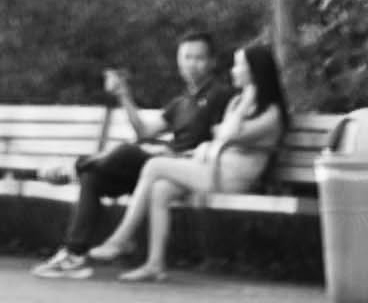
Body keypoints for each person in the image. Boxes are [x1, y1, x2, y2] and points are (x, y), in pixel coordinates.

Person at [82, 37, 288, 284]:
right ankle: (154, 264)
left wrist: (247, 99)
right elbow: (220, 134)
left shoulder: (271, 113)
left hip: (232, 179)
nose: (233, 71)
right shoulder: (235, 102)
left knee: (154, 165)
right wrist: (241, 104)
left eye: (239, 65)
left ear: (254, 72)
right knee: (160, 189)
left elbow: (229, 133)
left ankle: (122, 238)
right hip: (212, 169)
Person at [34, 32, 222, 274]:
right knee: (94, 178)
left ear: (212, 61)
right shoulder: (181, 103)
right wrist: (123, 95)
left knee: (126, 151)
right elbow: (144, 131)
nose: (193, 64)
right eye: (187, 57)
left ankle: (73, 168)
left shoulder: (221, 95)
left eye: (199, 58)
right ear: (179, 61)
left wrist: (177, 154)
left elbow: (221, 141)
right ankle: (74, 254)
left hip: (184, 171)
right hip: (154, 170)